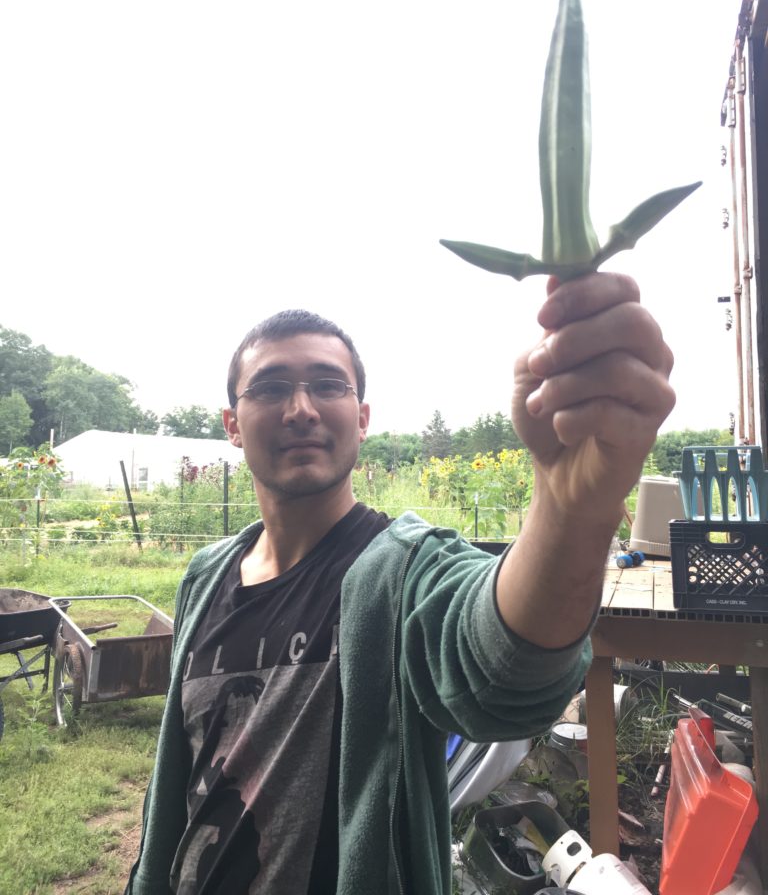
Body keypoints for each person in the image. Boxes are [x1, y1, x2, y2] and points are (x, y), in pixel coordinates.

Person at [125, 271, 675, 895]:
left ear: (360, 418)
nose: (301, 408)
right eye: (271, 387)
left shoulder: (402, 569)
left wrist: (570, 506)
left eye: (327, 386)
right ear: (231, 423)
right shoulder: (206, 576)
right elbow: (177, 779)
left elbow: (502, 669)